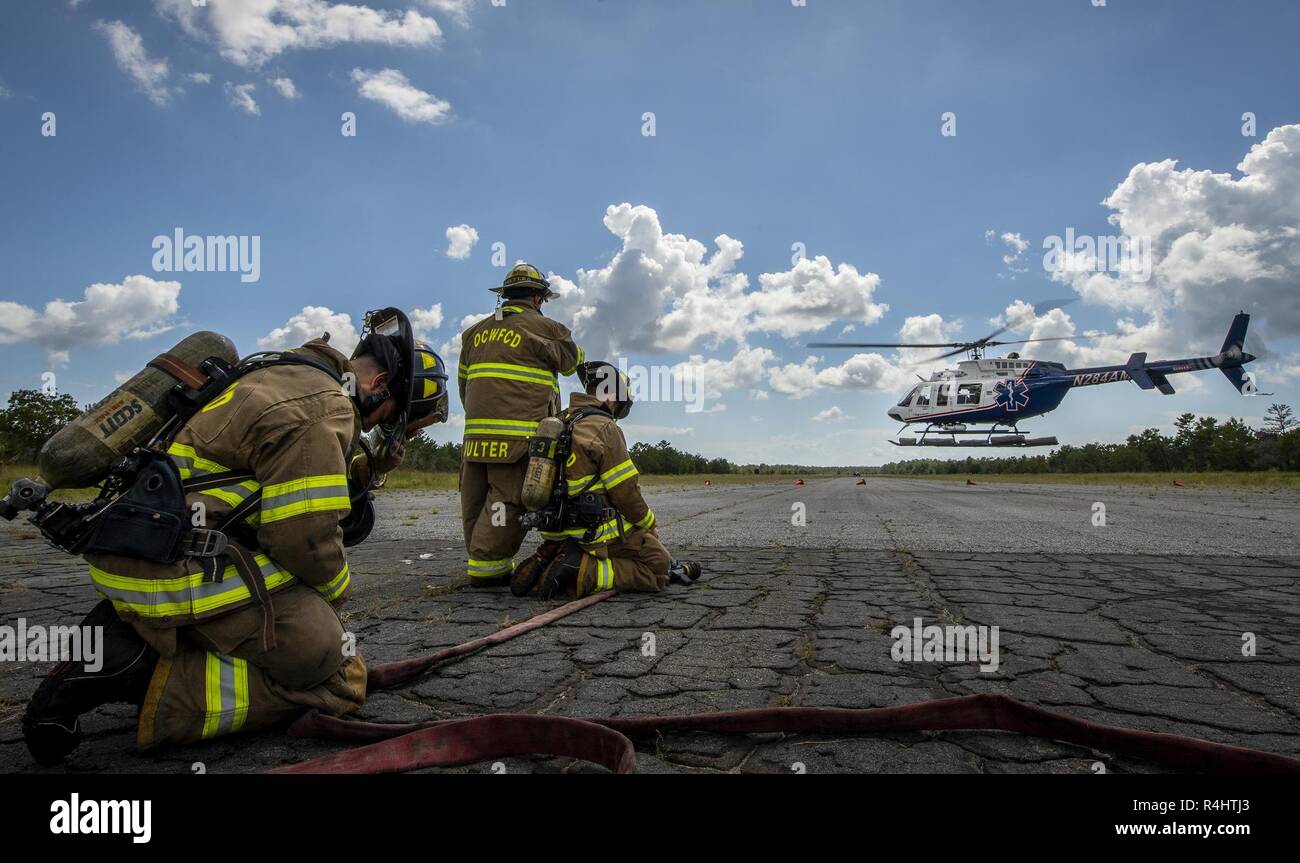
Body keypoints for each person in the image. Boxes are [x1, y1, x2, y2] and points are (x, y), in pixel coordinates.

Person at [22, 308, 449, 764]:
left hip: (134, 555)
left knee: (310, 624)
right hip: (173, 573)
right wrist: (334, 594)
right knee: (334, 669)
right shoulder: (324, 406)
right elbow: (303, 539)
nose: (376, 428)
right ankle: (135, 670)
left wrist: (373, 468)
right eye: (388, 416)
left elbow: (267, 475)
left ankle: (144, 635)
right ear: (379, 383)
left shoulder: (278, 373)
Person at [511, 361, 701, 599]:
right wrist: (648, 524)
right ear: (611, 397)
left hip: (556, 529)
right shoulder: (605, 428)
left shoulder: (558, 421)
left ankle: (554, 553)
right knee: (658, 566)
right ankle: (582, 570)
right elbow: (625, 492)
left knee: (643, 554)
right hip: (593, 534)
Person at [458, 263, 584, 586]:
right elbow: (572, 361)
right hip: (516, 442)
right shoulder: (546, 328)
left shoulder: (473, 334)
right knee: (507, 501)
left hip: (474, 440)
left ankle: (480, 558)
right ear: (538, 298)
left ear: (505, 296)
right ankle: (489, 572)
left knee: (476, 501)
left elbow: (464, 386)